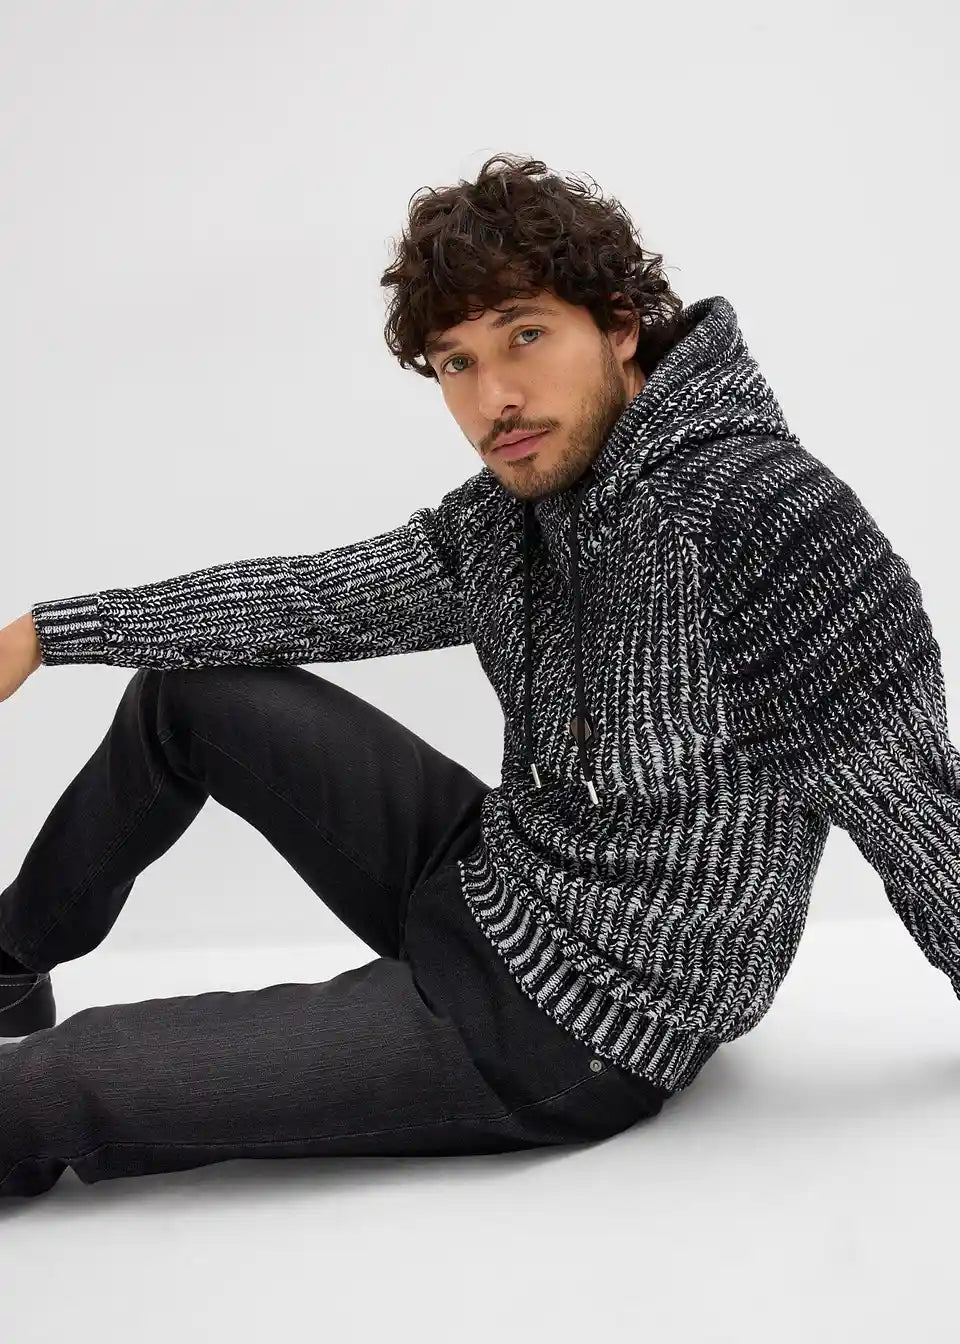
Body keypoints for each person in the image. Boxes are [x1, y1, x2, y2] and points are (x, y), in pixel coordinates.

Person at [1, 153, 957, 1201]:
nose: (495, 397)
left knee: (51, 1087)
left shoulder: (767, 522)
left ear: (620, 325)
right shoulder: (518, 512)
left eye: (525, 335)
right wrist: (49, 633)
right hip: (490, 878)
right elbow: (319, 598)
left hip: (573, 1028)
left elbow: (922, 821)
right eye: (457, 362)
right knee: (185, 698)